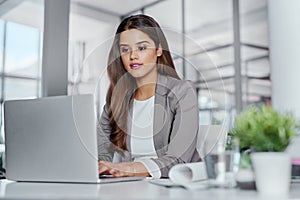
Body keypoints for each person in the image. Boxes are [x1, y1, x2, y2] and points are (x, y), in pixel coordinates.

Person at [97, 14, 200, 178]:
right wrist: (100, 167)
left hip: (175, 185)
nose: (133, 56)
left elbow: (178, 161)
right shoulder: (117, 99)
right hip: (134, 184)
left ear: (159, 49)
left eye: (142, 48)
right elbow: (100, 153)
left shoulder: (181, 92)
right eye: (125, 49)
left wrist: (125, 168)